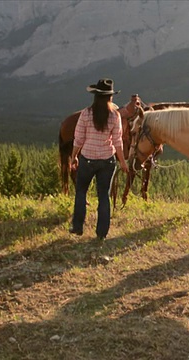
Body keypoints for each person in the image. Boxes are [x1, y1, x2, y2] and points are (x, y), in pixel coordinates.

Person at [69, 78, 129, 240]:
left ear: (95, 95)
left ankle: (77, 226)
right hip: (107, 160)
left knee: (81, 191)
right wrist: (122, 161)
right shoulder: (115, 116)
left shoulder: (86, 114)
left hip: (87, 158)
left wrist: (73, 157)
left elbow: (78, 139)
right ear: (110, 97)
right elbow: (118, 141)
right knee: (104, 195)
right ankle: (101, 233)